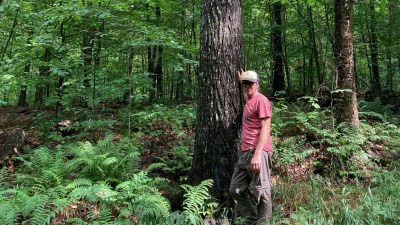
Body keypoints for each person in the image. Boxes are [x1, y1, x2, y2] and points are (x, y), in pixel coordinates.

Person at [229, 69, 274, 224]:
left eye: (251, 83)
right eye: (245, 83)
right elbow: (246, 95)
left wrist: (257, 154)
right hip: (245, 153)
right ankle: (253, 220)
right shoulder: (249, 100)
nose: (248, 86)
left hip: (258, 152)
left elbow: (266, 128)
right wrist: (240, 80)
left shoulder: (261, 100)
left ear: (258, 85)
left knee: (263, 192)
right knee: (235, 189)